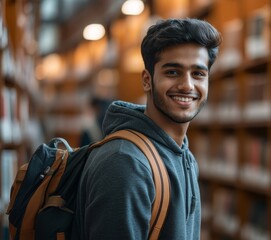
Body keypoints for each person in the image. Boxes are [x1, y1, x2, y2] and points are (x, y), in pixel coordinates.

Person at [73, 18, 222, 239]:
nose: (187, 85)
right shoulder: (125, 162)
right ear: (147, 80)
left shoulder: (184, 156)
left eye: (198, 74)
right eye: (172, 72)